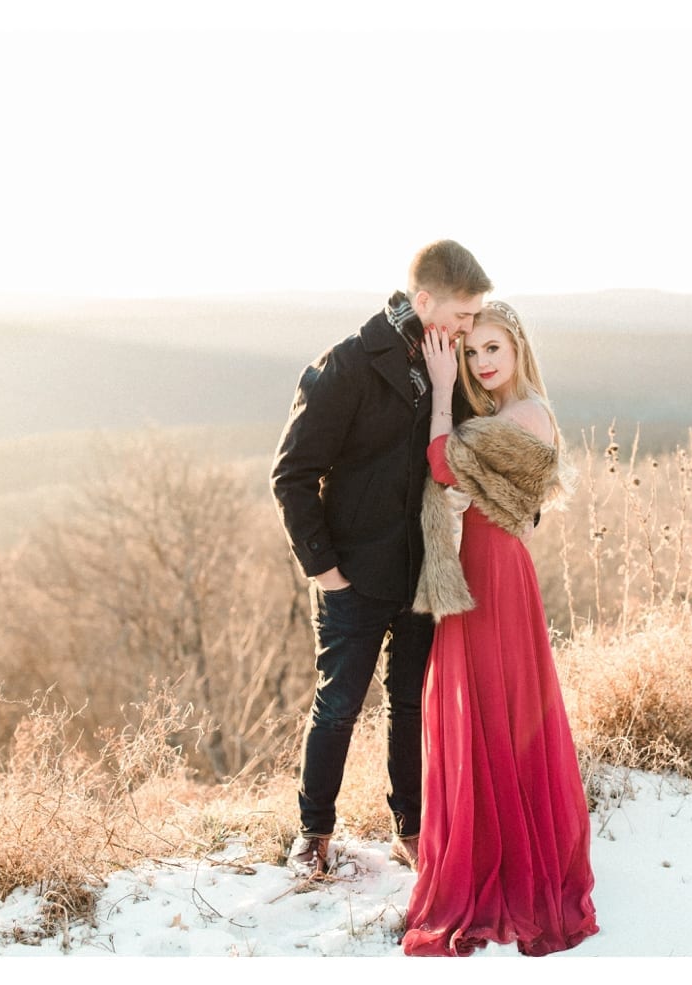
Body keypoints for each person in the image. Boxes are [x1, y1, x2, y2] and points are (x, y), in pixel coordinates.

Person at [271, 240, 493, 878]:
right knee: (338, 704)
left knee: (410, 704)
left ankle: (413, 828)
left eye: (475, 317)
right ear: (423, 301)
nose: (469, 328)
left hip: (422, 571)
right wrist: (325, 572)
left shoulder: (447, 360)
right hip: (352, 575)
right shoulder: (345, 365)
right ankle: (313, 832)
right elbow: (291, 476)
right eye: (461, 315)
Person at [402, 300, 600, 957]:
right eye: (472, 353)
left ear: (516, 348)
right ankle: (496, 843)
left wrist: (437, 389)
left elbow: (440, 461)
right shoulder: (506, 413)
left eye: (493, 349)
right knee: (484, 704)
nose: (483, 363)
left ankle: (509, 862)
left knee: (495, 703)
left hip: (493, 572)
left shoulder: (525, 414)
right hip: (486, 562)